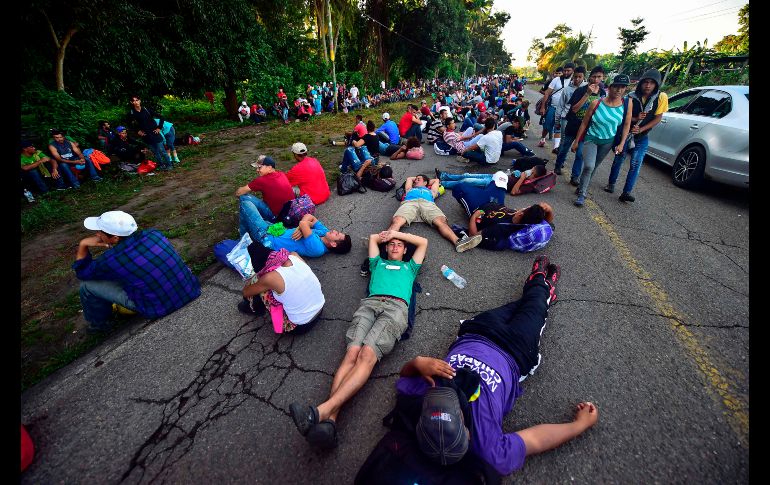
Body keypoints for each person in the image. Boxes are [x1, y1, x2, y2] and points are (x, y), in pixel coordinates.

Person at [384, 257, 598, 478]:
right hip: (515, 351)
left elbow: (404, 379)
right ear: (467, 434)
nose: (450, 395)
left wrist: (417, 363)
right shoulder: (486, 446)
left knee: (525, 304)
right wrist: (579, 426)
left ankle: (541, 291)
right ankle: (542, 287)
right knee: (534, 304)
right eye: (456, 408)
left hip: (476, 332)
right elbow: (534, 439)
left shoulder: (423, 394)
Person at [288, 230, 429, 448]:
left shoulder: (410, 267)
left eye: (399, 245)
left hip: (395, 309)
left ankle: (320, 412)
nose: (394, 246)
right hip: (369, 304)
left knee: (367, 354)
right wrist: (384, 236)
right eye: (391, 244)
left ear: (404, 251)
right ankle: (330, 423)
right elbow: (372, 238)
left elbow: (423, 241)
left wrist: (395, 233)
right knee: (351, 353)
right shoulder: (376, 264)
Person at [72, 210, 201, 334]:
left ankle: (99, 326)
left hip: (158, 308)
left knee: (86, 286)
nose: (97, 235)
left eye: (100, 232)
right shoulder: (154, 234)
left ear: (115, 238)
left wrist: (83, 244)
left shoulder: (111, 259)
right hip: (191, 290)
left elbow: (82, 273)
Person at [605, 69, 669, 202]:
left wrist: (641, 129)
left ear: (656, 85)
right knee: (619, 159)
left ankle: (626, 192)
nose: (648, 85)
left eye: (651, 83)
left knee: (636, 163)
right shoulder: (630, 97)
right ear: (641, 83)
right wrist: (635, 119)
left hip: (642, 136)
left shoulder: (661, 97)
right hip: (625, 135)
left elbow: (657, 118)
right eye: (645, 82)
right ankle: (611, 184)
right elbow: (623, 117)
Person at [571, 74, 632, 207]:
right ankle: (582, 194)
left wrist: (622, 144)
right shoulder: (596, 103)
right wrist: (576, 141)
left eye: (623, 88)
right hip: (591, 138)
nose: (619, 90)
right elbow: (584, 123)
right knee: (589, 165)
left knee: (594, 167)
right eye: (616, 87)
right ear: (610, 87)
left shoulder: (627, 104)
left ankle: (581, 186)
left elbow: (627, 124)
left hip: (608, 141)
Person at [239, 241, 325, 334]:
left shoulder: (270, 278)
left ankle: (255, 308)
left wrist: (255, 278)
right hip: (319, 310)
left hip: (301, 326)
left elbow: (246, 292)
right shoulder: (294, 256)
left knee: (258, 286)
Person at [388, 175, 482, 253]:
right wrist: (419, 179)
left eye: (418, 179)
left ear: (426, 183)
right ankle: (386, 243)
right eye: (415, 179)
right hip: (410, 203)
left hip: (428, 204)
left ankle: (458, 242)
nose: (415, 181)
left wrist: (426, 181)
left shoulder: (431, 191)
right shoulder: (409, 189)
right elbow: (409, 178)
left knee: (441, 221)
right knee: (397, 221)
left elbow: (436, 180)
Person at [555, 66, 606, 181]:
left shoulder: (602, 94)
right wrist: (587, 94)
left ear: (603, 78)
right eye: (594, 77)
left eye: (599, 77)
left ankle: (574, 176)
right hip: (574, 125)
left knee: (580, 154)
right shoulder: (580, 90)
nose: (596, 80)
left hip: (588, 129)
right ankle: (558, 165)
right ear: (589, 77)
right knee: (565, 147)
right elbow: (574, 109)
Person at [468, 202, 554, 252]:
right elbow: (548, 222)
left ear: (521, 214)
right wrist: (549, 210)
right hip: (492, 204)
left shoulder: (500, 228)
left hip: (477, 209)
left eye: (526, 207)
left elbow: (473, 235)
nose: (524, 207)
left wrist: (474, 216)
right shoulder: (522, 220)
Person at [127, 95, 173, 170]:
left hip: (155, 134)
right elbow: (129, 124)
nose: (136, 102)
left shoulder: (146, 109)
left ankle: (169, 164)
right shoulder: (132, 113)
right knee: (155, 152)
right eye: (134, 101)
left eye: (137, 100)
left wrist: (159, 128)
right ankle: (161, 165)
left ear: (140, 101)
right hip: (146, 136)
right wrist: (137, 131)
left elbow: (161, 117)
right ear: (131, 102)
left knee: (162, 151)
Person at [538, 65, 571, 148]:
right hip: (552, 107)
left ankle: (556, 147)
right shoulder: (556, 80)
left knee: (558, 127)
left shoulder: (573, 81)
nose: (566, 72)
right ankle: (542, 138)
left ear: (573, 71)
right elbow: (547, 93)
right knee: (547, 125)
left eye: (569, 71)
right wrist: (543, 107)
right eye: (565, 70)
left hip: (564, 109)